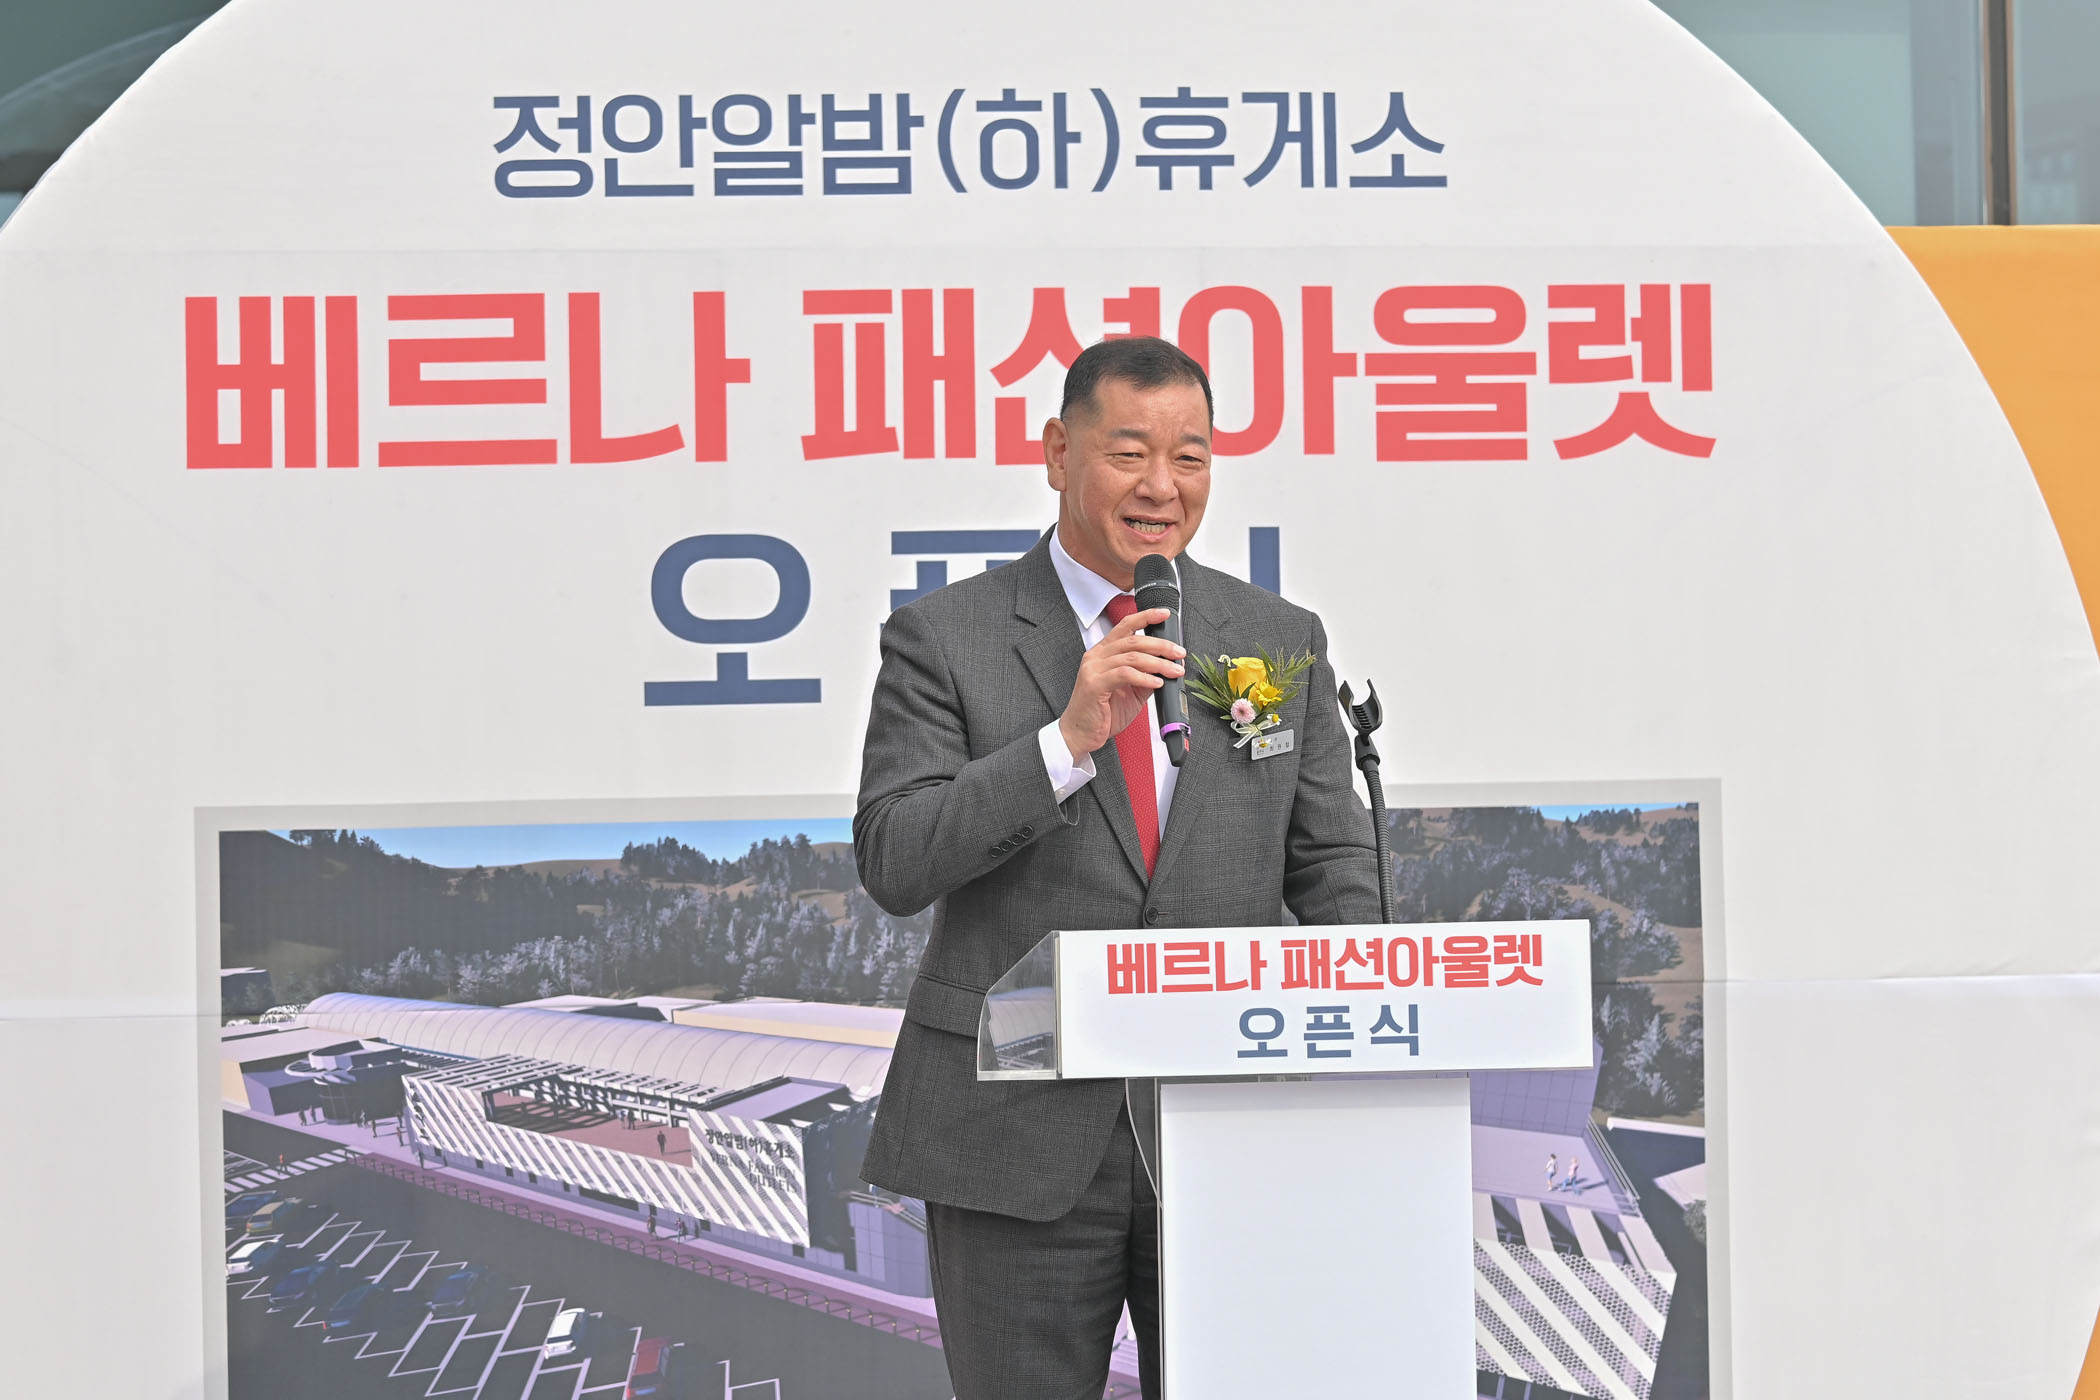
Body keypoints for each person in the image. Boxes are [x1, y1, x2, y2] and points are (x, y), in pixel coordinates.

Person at [855, 336, 1380, 1400]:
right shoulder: (945, 636)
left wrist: (1371, 1028)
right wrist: (1064, 742)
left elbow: (1335, 866)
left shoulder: (1274, 638)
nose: (1161, 486)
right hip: (1013, 1134)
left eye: (1190, 457)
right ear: (1058, 451)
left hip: (1227, 1126)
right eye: (1129, 452)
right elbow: (896, 856)